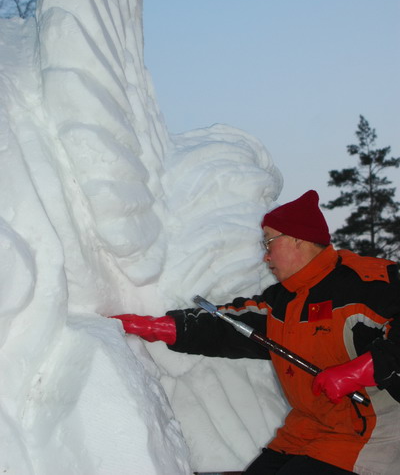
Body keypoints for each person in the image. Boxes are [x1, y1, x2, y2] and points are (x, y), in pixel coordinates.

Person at [112, 190, 400, 475]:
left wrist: (363, 369)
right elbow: (231, 325)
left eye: (269, 243)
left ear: (297, 240)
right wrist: (163, 327)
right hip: (308, 427)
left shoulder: (371, 283)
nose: (265, 256)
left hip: (371, 435)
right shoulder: (282, 300)